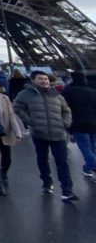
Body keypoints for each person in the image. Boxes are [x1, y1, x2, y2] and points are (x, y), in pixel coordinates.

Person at [14, 70, 78, 202]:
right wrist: (30, 121)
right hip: (39, 133)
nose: (44, 81)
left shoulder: (57, 95)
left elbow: (66, 110)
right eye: (40, 79)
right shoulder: (25, 94)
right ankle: (46, 181)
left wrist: (65, 123)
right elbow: (17, 107)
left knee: (62, 161)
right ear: (33, 80)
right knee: (43, 159)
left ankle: (67, 190)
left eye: (46, 79)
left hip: (58, 133)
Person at [61, 71, 96, 179]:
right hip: (93, 122)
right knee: (92, 147)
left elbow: (63, 109)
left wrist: (68, 127)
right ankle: (87, 168)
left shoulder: (67, 91)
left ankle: (92, 166)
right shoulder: (91, 91)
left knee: (85, 147)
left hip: (77, 122)